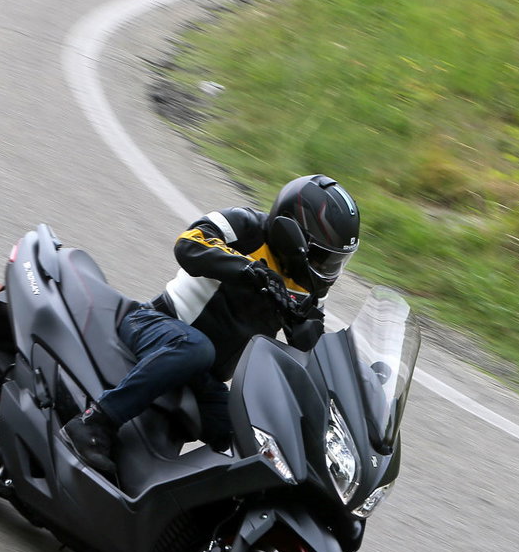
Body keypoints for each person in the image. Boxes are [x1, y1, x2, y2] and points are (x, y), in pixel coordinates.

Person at [61, 174, 361, 477]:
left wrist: (307, 331)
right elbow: (189, 244)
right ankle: (94, 423)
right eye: (322, 257)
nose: (327, 269)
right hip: (155, 324)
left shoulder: (305, 287)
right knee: (196, 347)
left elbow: (312, 348)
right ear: (292, 237)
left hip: (204, 377)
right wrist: (247, 269)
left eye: (336, 260)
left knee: (258, 439)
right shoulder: (245, 226)